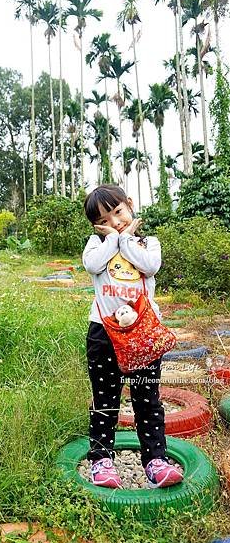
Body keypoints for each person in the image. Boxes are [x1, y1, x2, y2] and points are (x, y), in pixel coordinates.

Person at [82, 184, 183, 489]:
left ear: (129, 205)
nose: (114, 221)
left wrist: (125, 239)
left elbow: (150, 267)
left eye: (118, 212)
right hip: (103, 333)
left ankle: (155, 461)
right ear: (96, 225)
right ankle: (101, 461)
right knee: (105, 399)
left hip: (143, 334)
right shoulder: (95, 244)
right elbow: (93, 265)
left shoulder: (148, 243)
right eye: (105, 219)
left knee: (147, 399)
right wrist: (113, 238)